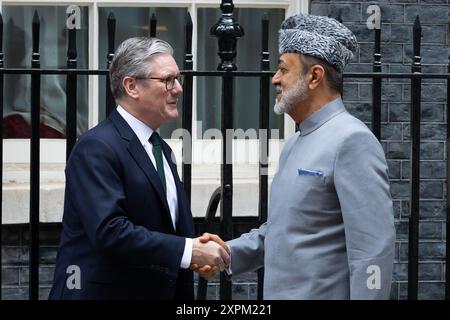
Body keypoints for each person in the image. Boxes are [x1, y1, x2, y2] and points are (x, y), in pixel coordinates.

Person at [195, 14, 396, 300]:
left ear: (314, 76)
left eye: (283, 70)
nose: (275, 79)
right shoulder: (294, 144)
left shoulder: (352, 140)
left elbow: (373, 252)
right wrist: (226, 253)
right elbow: (281, 233)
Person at [49, 37, 229, 300]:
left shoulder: (160, 148)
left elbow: (164, 226)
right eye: (167, 80)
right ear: (131, 86)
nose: (178, 88)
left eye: (178, 79)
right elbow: (109, 231)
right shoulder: (96, 147)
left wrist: (196, 255)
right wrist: (188, 251)